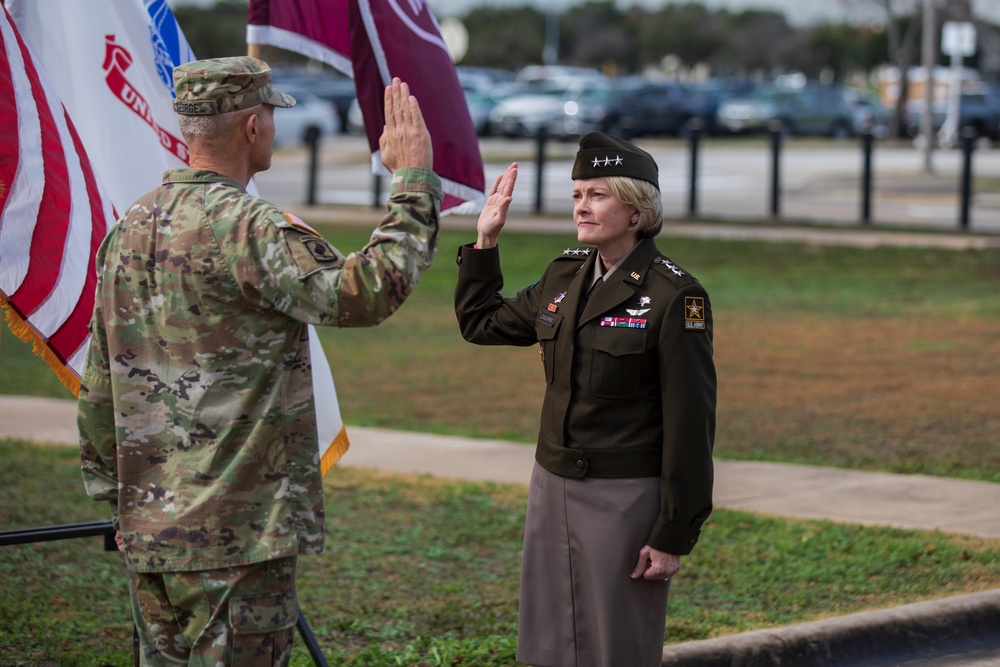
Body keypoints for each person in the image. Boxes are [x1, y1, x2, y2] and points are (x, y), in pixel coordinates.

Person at [76, 56, 441, 665]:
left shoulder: (130, 225)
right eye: (270, 113)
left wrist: (117, 499)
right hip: (237, 536)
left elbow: (100, 380)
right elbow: (365, 291)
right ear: (251, 127)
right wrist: (414, 181)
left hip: (150, 527)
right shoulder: (251, 227)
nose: (272, 126)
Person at [454, 133, 716, 667]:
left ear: (637, 208)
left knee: (616, 646)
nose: (581, 206)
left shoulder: (675, 297)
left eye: (597, 194)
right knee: (548, 639)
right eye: (577, 194)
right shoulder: (565, 273)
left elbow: (691, 424)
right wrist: (486, 241)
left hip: (624, 498)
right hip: (551, 487)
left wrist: (673, 533)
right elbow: (481, 324)